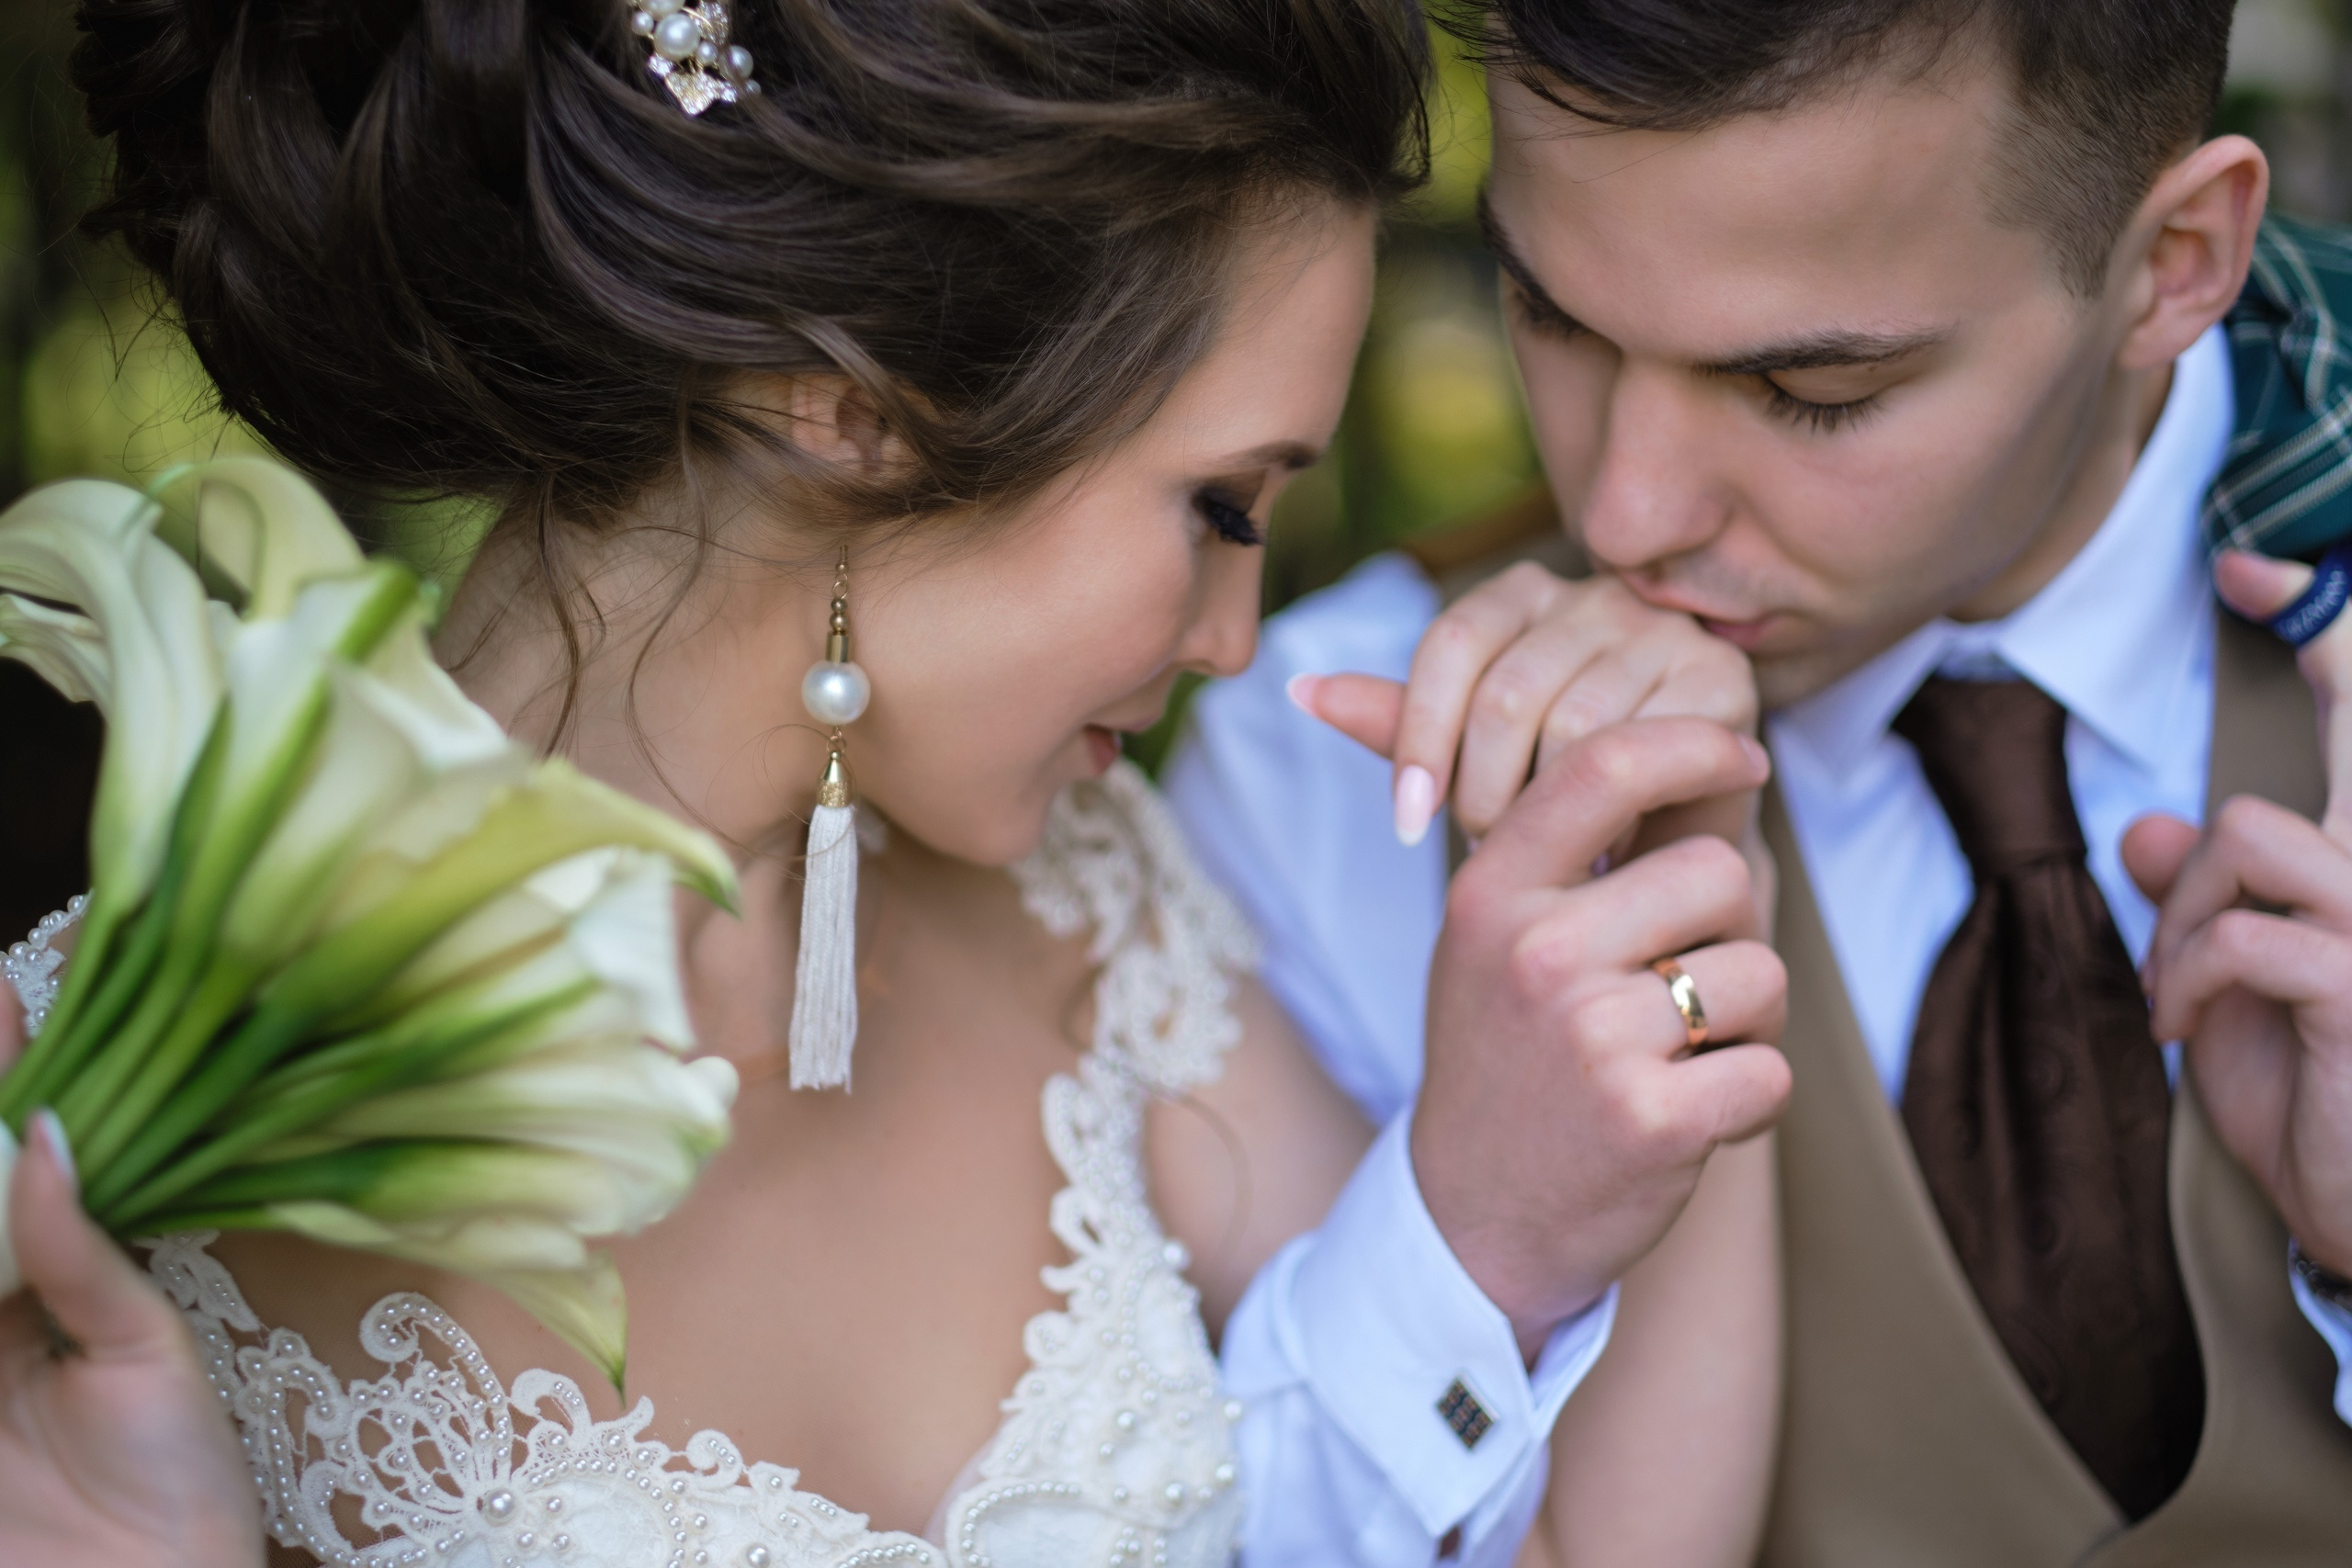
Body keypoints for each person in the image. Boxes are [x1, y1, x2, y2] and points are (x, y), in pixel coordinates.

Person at [0, 1, 1797, 1563]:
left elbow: (1563, 1542)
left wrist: (1673, 890)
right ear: (848, 400)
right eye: (1218, 507)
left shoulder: (1094, 920)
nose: (1231, 638)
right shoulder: (96, 1129)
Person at [1170, 0, 2352, 1562]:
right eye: (1554, 316)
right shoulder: (1334, 759)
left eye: (1812, 390)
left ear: (2177, 260)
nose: (1629, 509)